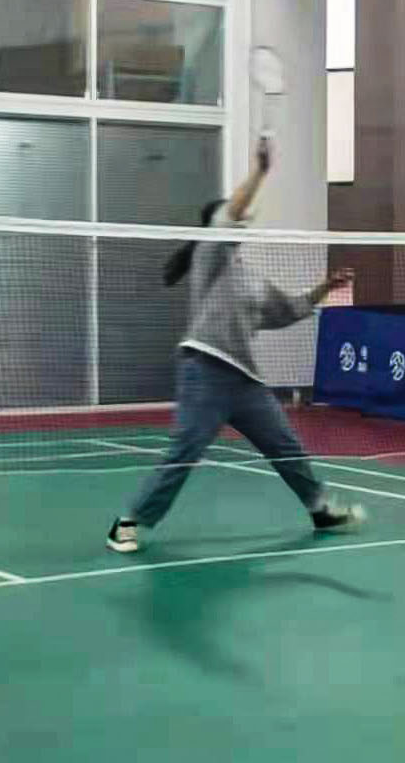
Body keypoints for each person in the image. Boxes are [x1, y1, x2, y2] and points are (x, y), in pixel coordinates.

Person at [107, 139, 365, 554]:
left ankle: (319, 510)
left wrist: (325, 287)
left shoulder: (251, 279)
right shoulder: (210, 258)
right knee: (186, 449)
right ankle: (128, 521)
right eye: (233, 216)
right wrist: (261, 171)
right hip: (206, 369)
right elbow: (229, 217)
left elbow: (287, 310)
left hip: (245, 380)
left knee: (285, 445)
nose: (241, 219)